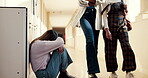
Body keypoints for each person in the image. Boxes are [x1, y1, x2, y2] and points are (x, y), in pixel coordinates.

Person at [71, 0, 108, 78]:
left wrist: (92, 1)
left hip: (96, 16)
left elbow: (102, 1)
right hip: (84, 16)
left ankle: (92, 70)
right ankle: (92, 71)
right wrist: (92, 2)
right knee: (90, 41)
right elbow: (81, 2)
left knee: (95, 45)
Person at [102, 0, 136, 78]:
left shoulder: (123, 0)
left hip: (122, 25)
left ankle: (129, 71)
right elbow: (104, 15)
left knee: (126, 46)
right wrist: (107, 29)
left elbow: (126, 12)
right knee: (110, 50)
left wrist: (126, 9)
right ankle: (112, 72)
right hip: (110, 26)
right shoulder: (105, 1)